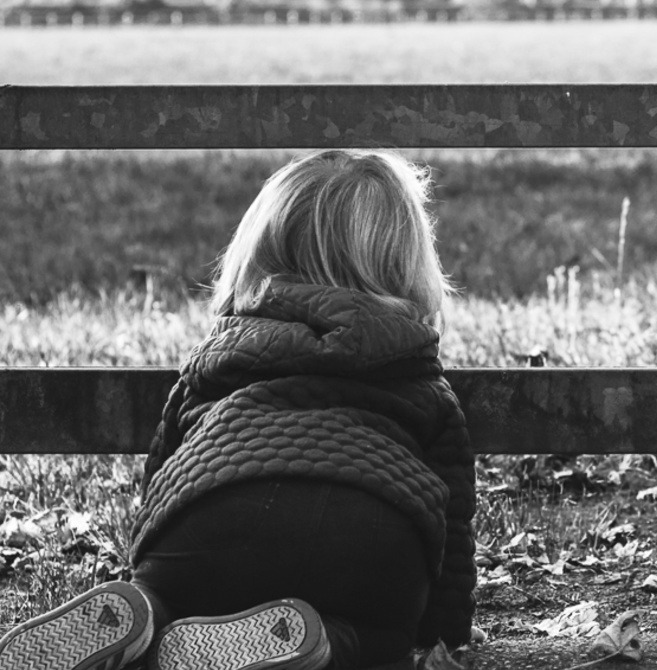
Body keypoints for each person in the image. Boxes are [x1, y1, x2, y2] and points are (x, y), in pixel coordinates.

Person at [0, 149, 477, 670]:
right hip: (369, 530)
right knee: (379, 634)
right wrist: (445, 631)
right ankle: (322, 645)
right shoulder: (414, 365)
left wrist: (147, 566)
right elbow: (453, 512)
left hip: (215, 511)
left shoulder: (223, 349)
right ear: (406, 265)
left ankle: (146, 613)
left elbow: (163, 467)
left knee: (176, 594)